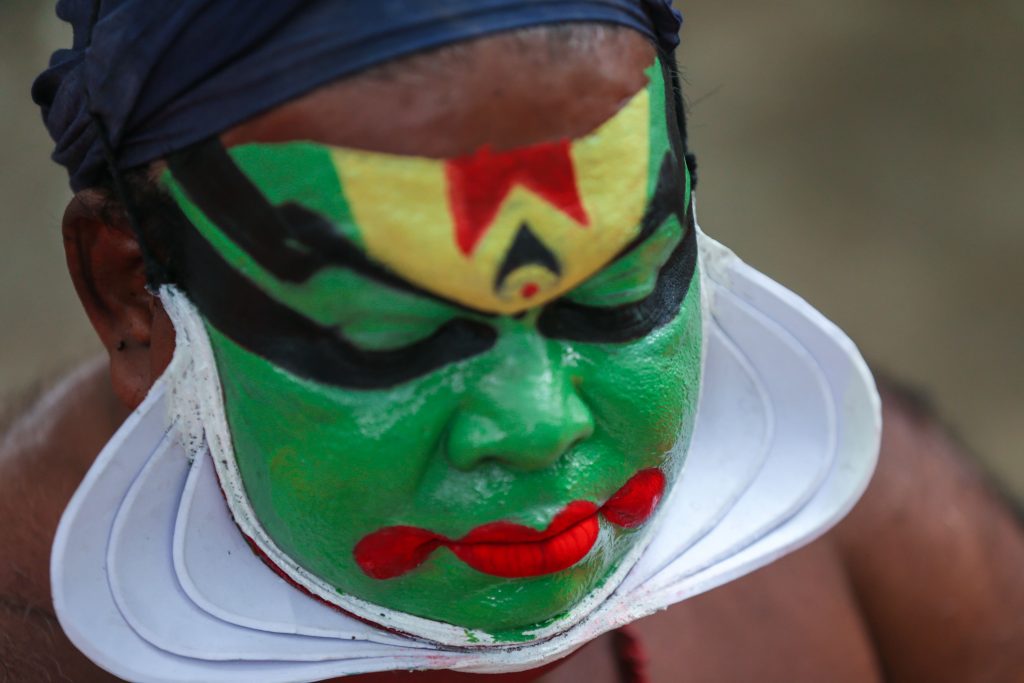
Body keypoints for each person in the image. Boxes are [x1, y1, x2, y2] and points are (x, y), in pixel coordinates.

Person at [3, 2, 1023, 681]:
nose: (534, 424)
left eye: (615, 293)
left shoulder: (853, 522)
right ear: (132, 292)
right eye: (391, 337)